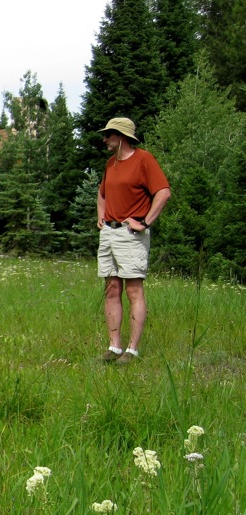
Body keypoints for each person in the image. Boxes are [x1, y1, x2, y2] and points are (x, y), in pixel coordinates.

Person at [96, 117, 171, 364]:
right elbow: (102, 192)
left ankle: (132, 350)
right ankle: (114, 347)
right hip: (109, 232)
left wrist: (145, 222)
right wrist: (101, 216)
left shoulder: (144, 159)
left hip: (131, 234)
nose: (105, 139)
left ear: (122, 136)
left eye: (109, 135)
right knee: (111, 288)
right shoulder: (110, 163)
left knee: (133, 290)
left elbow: (163, 192)